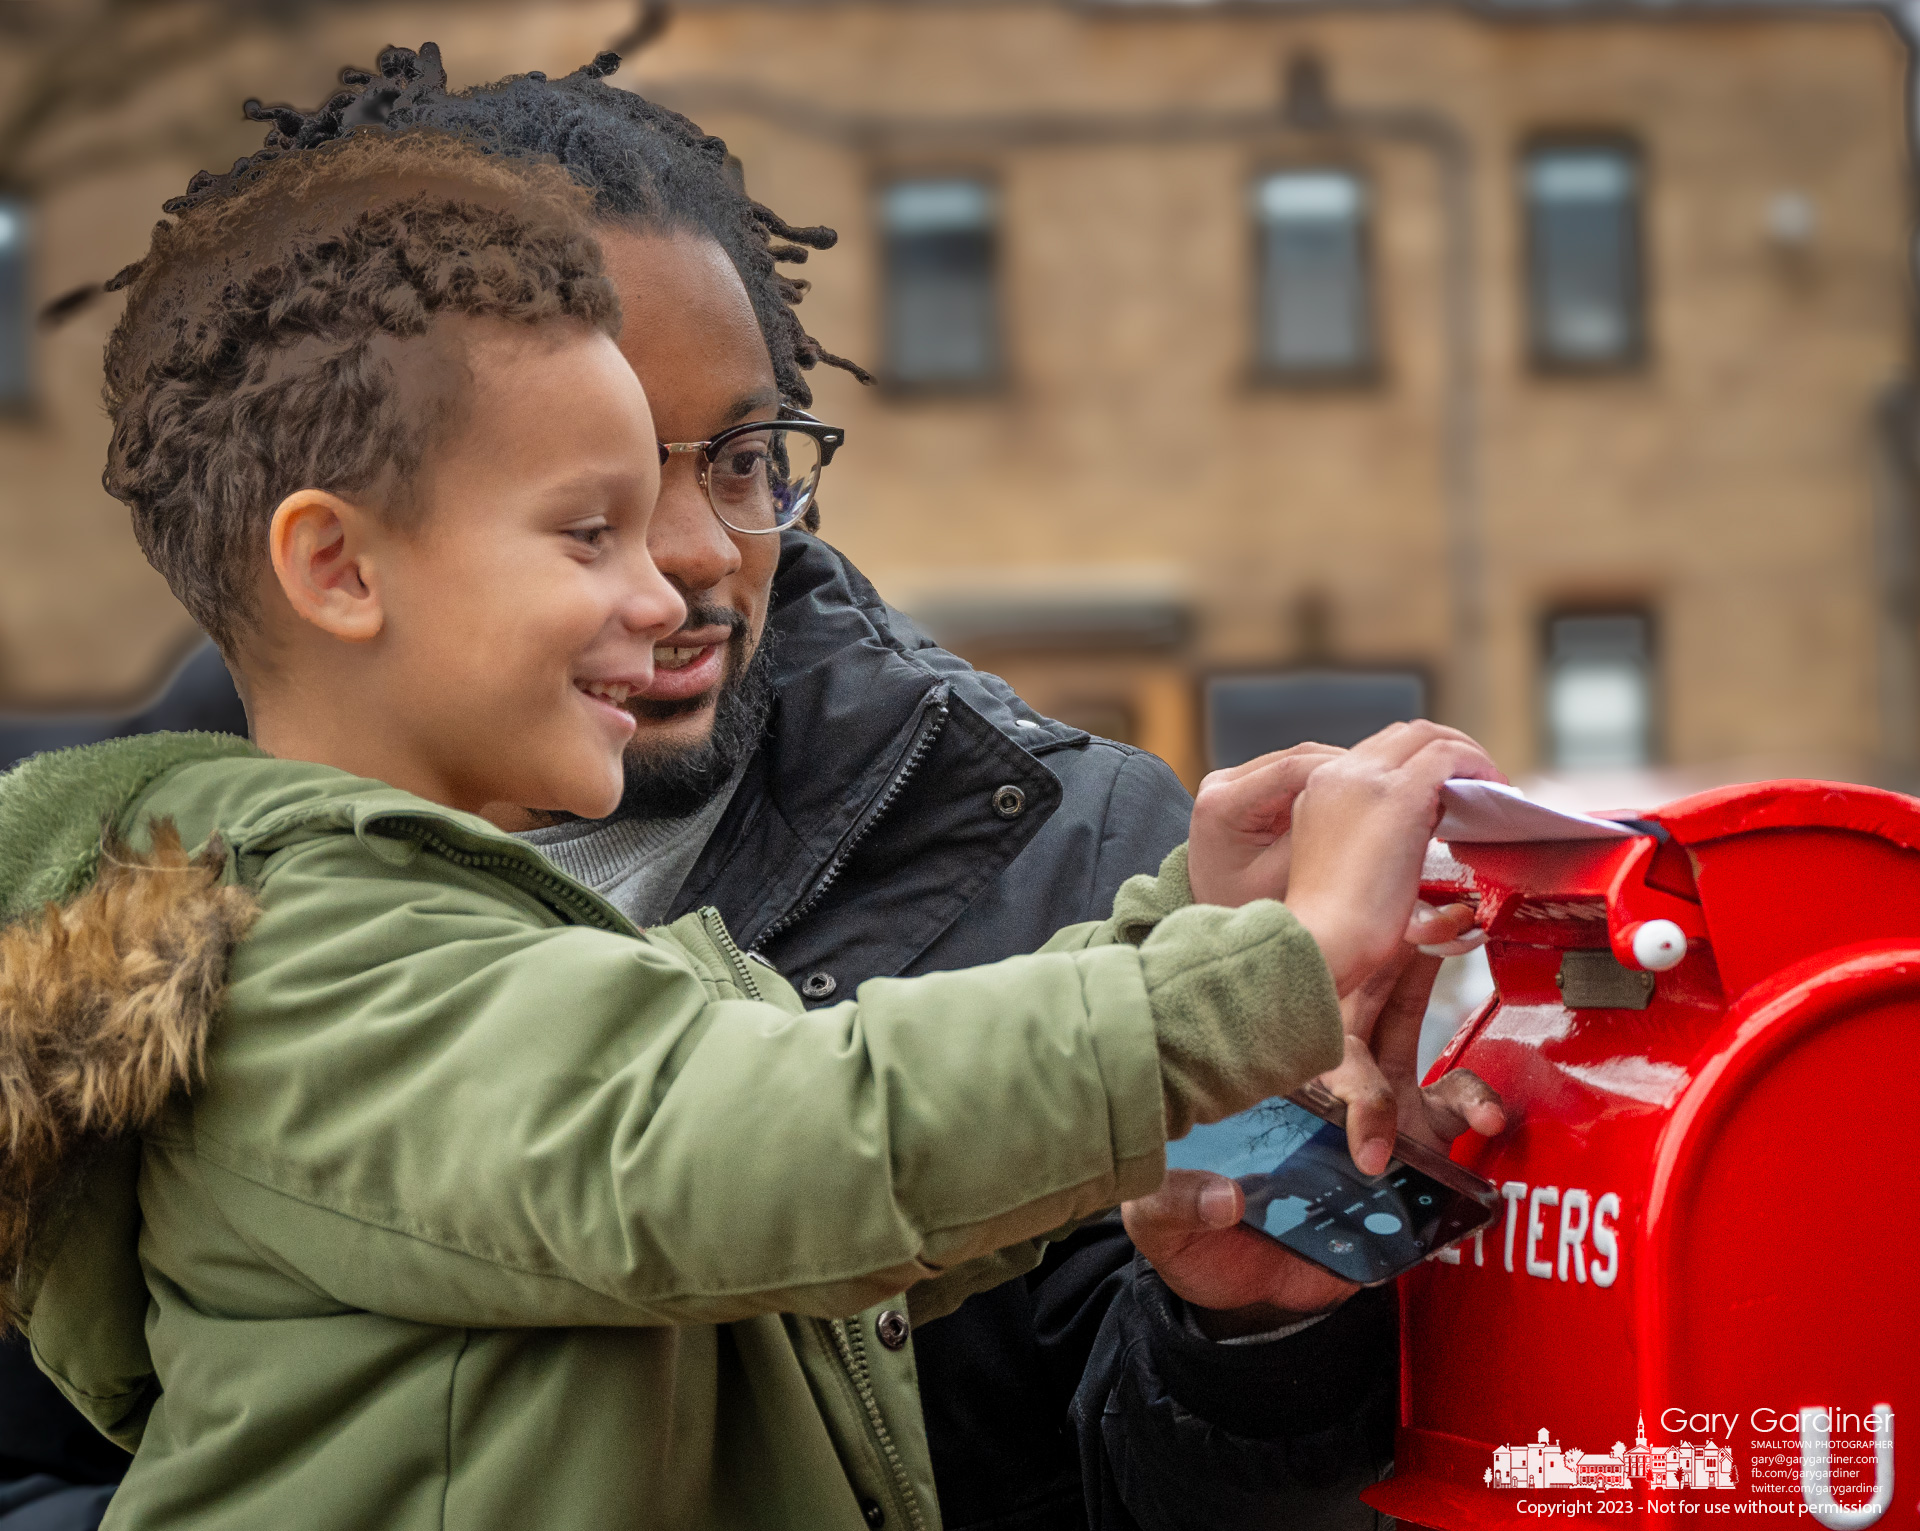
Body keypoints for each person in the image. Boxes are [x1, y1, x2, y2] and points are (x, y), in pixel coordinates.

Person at [7, 44, 1504, 1531]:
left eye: (736, 458)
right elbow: (768, 1142)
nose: (692, 567)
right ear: (339, 566)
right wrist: (1256, 980)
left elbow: (820, 1220)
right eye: (589, 521)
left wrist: (1182, 925)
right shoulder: (293, 951)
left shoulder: (1051, 835)